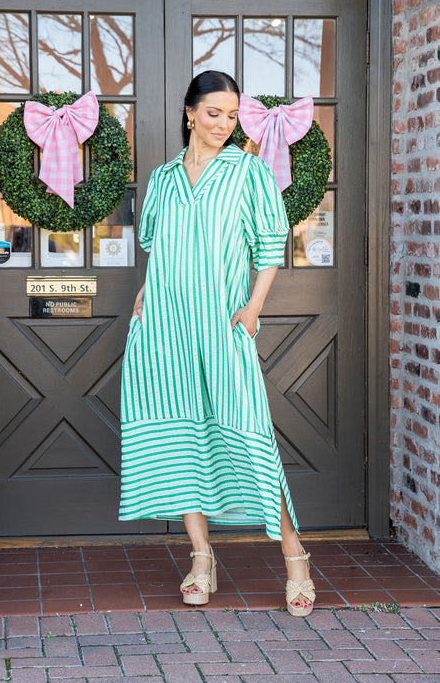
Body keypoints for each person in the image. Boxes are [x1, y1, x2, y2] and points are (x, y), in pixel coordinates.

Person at [119, 70, 315, 615]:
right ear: (189, 113)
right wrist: (142, 296)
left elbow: (270, 247)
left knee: (248, 432)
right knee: (180, 440)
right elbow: (158, 248)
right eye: (213, 114)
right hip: (164, 325)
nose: (223, 125)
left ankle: (294, 554)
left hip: (225, 325)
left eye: (232, 116)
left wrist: (253, 308)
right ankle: (201, 557)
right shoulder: (161, 179)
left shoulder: (250, 173)